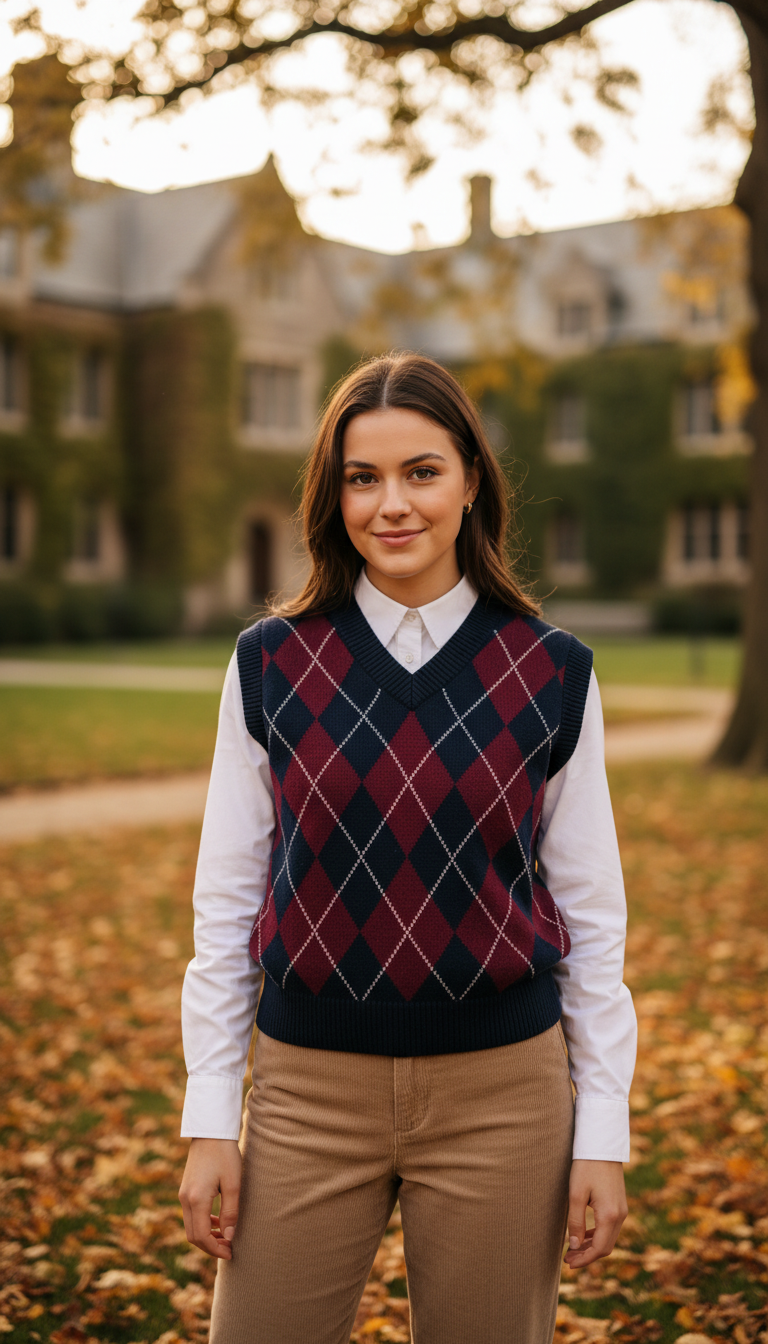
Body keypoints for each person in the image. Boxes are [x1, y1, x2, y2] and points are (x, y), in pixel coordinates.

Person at [178, 352, 637, 1344]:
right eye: (362, 476)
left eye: (422, 472)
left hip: (505, 1097)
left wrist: (604, 1132)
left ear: (472, 481)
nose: (393, 504)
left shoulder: (553, 671)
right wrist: (211, 1114)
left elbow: (592, 916)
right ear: (331, 493)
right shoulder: (271, 664)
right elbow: (225, 901)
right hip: (306, 1088)